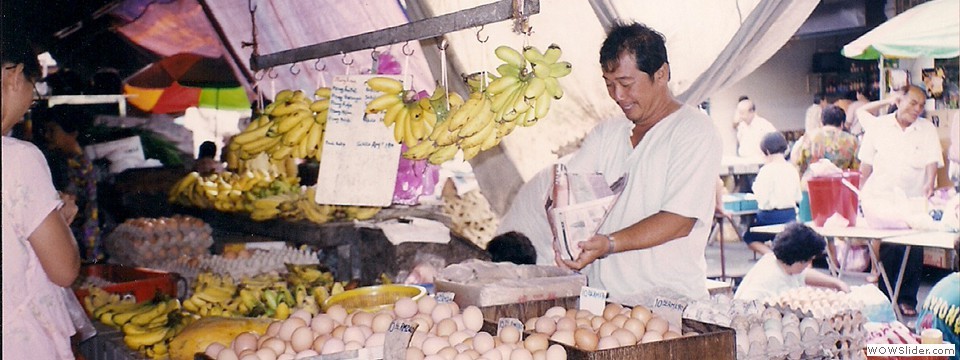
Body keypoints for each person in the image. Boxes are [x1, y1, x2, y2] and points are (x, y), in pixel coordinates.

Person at [558, 22, 722, 300]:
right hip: (603, 300)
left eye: (625, 83)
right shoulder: (606, 134)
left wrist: (609, 244)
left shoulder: (694, 130)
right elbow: (570, 192)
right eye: (609, 85)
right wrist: (563, 234)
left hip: (668, 301)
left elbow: (679, 220)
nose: (618, 96)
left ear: (661, 74)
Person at [2, 36, 82, 359]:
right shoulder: (19, 158)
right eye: (31, 93)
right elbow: (64, 269)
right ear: (14, 76)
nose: (26, 110)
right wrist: (61, 225)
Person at [858, 85, 944, 317]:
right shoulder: (878, 126)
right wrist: (861, 191)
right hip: (883, 198)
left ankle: (907, 299)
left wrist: (930, 183)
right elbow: (865, 163)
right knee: (889, 248)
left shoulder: (926, 129)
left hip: (913, 199)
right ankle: (886, 299)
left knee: (913, 249)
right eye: (913, 103)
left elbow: (932, 160)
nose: (917, 109)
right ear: (898, 101)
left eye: (921, 105)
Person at [42, 105, 103, 262]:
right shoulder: (70, 162)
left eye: (52, 130)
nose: (47, 136)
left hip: (82, 243)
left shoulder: (79, 166)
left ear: (73, 133)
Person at [734, 223, 850, 301]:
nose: (807, 266)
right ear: (800, 260)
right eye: (808, 261)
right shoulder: (771, 280)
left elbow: (804, 275)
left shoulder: (777, 261)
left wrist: (836, 283)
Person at [743, 132, 801, 255]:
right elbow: (797, 197)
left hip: (770, 216)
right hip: (790, 215)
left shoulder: (766, 170)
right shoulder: (792, 169)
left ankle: (772, 256)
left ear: (767, 152)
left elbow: (762, 199)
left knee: (749, 237)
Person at [793, 105, 860, 177]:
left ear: (821, 122)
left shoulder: (809, 137)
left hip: (811, 183)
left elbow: (799, 164)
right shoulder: (852, 141)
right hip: (838, 184)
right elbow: (856, 169)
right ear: (842, 124)